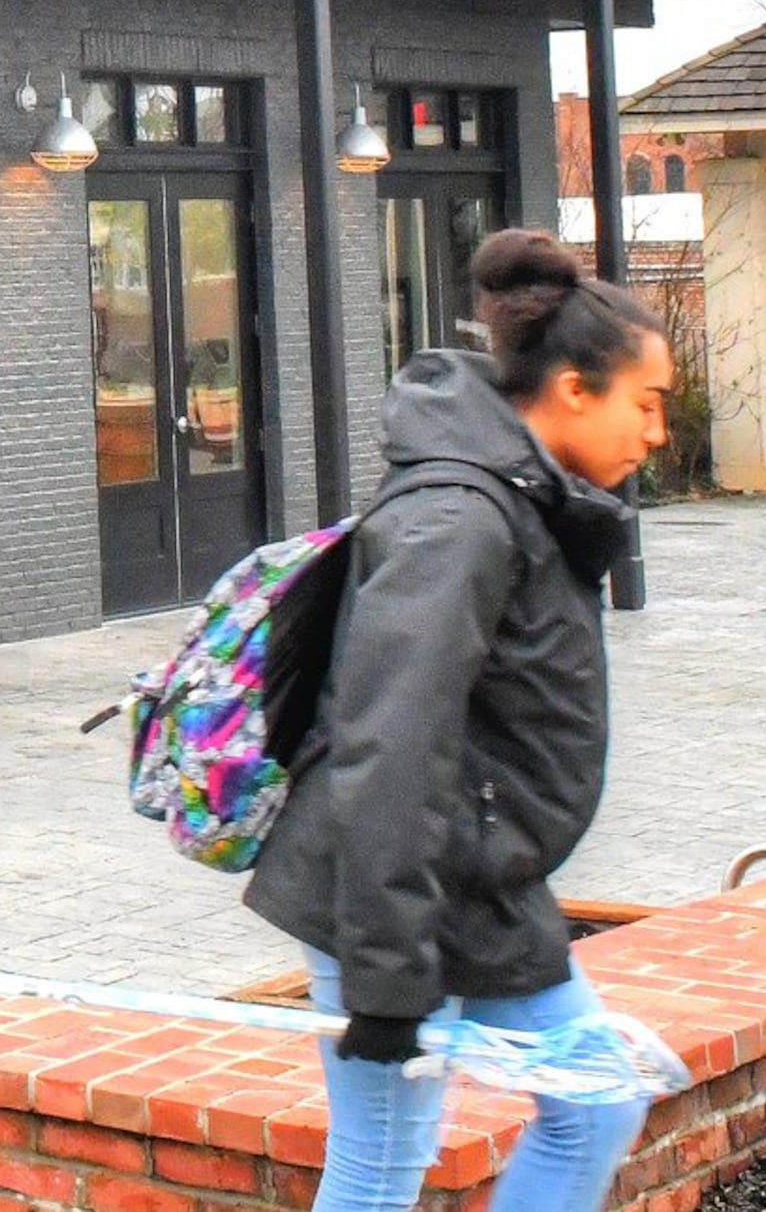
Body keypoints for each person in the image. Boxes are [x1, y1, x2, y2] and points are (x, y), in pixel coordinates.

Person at [245, 229, 675, 1212]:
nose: (655, 434)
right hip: (405, 893)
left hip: (469, 878)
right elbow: (387, 735)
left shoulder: (518, 499)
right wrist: (388, 971)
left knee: (585, 1105)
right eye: (645, 405)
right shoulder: (461, 515)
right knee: (396, 1154)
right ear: (573, 387)